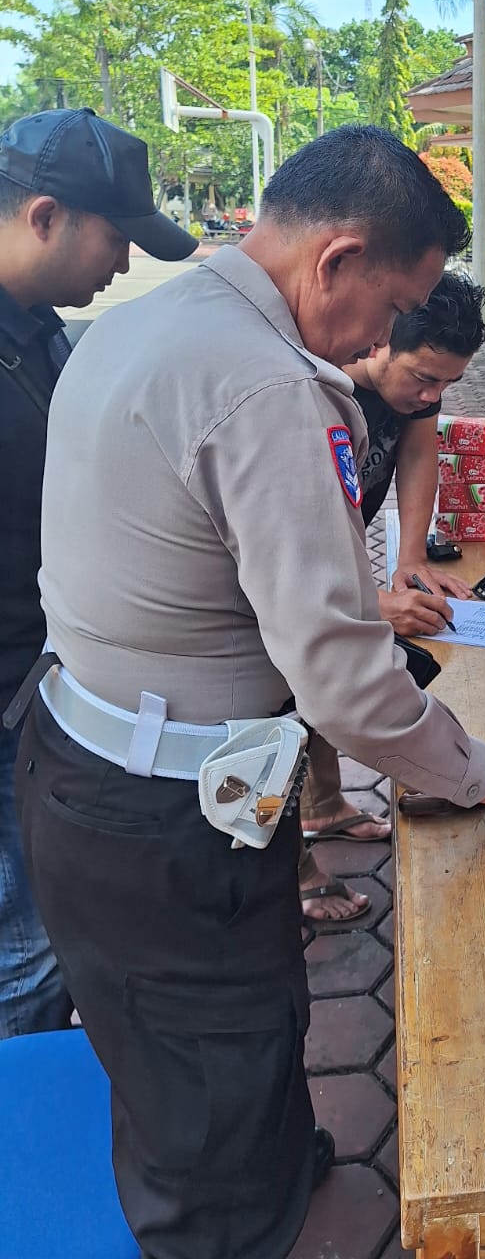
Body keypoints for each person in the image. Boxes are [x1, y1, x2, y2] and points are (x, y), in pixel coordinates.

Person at [13, 126, 485, 1259]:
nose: (380, 341)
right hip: (166, 811)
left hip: (102, 764)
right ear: (338, 259)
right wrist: (479, 767)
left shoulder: (141, 324)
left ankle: (265, 1173)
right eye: (391, 308)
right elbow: (347, 681)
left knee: (231, 1026)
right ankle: (231, 1225)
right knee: (205, 1065)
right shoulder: (268, 385)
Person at [0, 107, 195, 1040]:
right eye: (115, 239)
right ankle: (29, 1110)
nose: (123, 266)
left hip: (46, 680)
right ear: (45, 217)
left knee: (59, 923)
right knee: (24, 949)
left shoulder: (40, 329)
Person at [301, 269, 485, 923]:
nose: (432, 396)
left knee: (321, 678)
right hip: (288, 569)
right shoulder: (316, 392)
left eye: (447, 385)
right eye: (424, 379)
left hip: (339, 543)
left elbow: (417, 454)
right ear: (380, 338)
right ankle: (293, 870)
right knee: (291, 693)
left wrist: (410, 561)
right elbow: (287, 570)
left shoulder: (419, 385)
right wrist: (372, 606)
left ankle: (323, 805)